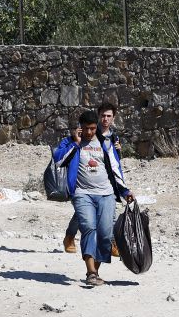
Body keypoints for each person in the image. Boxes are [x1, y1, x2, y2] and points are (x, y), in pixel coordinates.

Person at [54, 110, 133, 286]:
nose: (89, 132)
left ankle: (95, 271)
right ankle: (90, 272)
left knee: (105, 234)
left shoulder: (106, 142)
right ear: (80, 127)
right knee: (89, 228)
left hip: (106, 194)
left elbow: (115, 168)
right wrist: (76, 143)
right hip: (82, 194)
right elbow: (59, 161)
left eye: (92, 128)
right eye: (86, 129)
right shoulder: (70, 142)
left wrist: (125, 191)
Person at [63, 102, 122, 256]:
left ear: (113, 118)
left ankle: (112, 242)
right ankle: (70, 236)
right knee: (82, 214)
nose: (105, 119)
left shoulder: (112, 137)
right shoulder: (84, 134)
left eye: (109, 116)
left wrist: (118, 152)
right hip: (83, 185)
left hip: (105, 183)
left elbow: (112, 162)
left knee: (110, 213)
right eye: (103, 115)